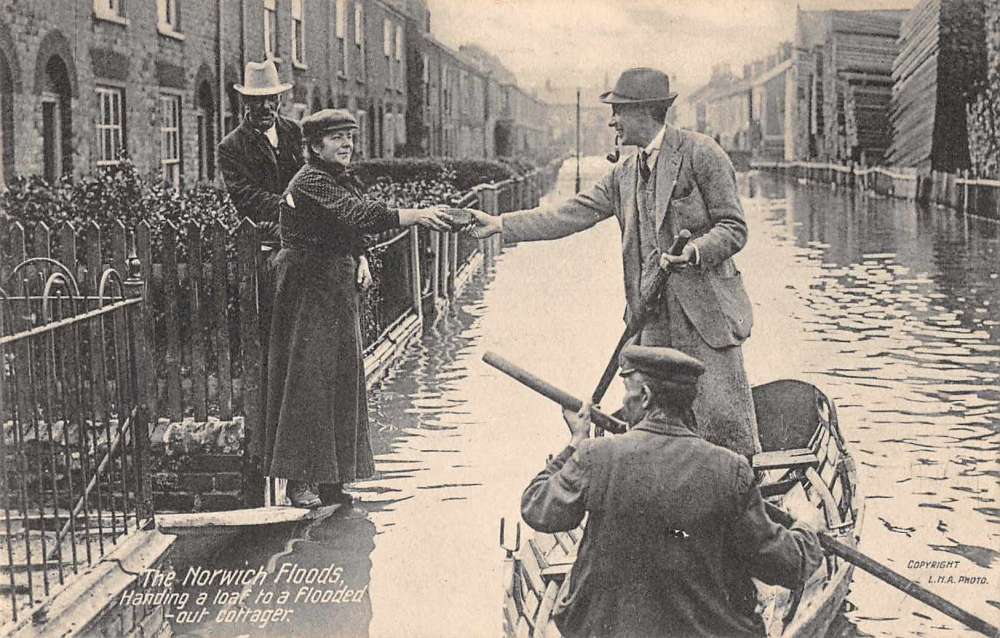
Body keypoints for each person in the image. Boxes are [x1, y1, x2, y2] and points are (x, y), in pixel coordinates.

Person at [469, 67, 760, 457]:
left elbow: (734, 227)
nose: (612, 121)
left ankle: (741, 500)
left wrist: (695, 251)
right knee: (652, 432)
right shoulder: (624, 174)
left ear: (644, 111)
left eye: (618, 111)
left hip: (706, 319)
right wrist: (501, 223)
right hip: (651, 320)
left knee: (724, 434)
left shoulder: (701, 153)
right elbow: (568, 214)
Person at [521, 344, 823, 638]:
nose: (624, 402)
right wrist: (808, 529)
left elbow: (537, 508)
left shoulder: (594, 455)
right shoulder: (729, 469)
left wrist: (575, 440)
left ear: (647, 396)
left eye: (628, 391)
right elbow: (784, 566)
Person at [265, 109, 451, 508]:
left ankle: (334, 479)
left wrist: (361, 255)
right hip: (307, 288)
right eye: (337, 138)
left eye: (350, 137)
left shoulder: (339, 179)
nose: (347, 144)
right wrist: (415, 215)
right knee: (308, 379)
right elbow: (358, 215)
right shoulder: (311, 180)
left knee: (344, 377)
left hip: (336, 287)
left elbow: (346, 227)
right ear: (315, 146)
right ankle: (300, 482)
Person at [217, 59, 304, 504]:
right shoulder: (231, 147)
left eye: (269, 100)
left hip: (303, 249)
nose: (264, 108)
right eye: (255, 102)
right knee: (274, 361)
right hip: (265, 256)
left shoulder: (294, 134)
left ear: (278, 101)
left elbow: (313, 181)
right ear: (243, 103)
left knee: (303, 360)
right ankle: (273, 469)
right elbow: (245, 198)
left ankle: (306, 473)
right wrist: (290, 209)